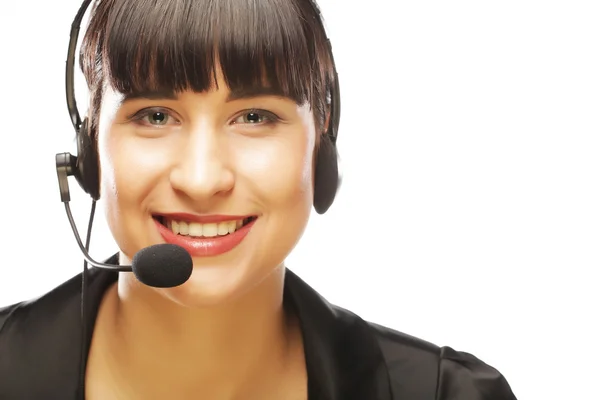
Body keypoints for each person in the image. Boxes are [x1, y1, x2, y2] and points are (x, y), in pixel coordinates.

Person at [0, 0, 518, 399]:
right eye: (155, 115)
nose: (202, 180)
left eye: (254, 117)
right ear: (87, 152)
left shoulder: (448, 395)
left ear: (322, 146)